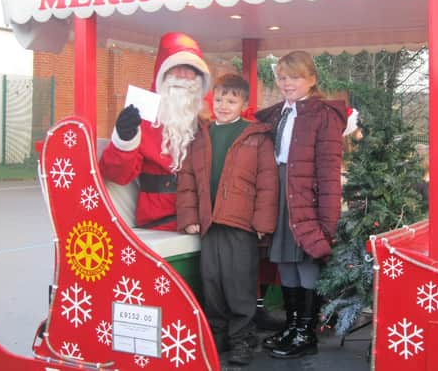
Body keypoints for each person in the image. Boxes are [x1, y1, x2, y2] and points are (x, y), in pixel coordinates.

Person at [176, 74, 279, 365]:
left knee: (238, 283)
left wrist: (263, 223)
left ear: (244, 104)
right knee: (212, 281)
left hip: (241, 222)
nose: (223, 105)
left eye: (231, 101)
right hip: (209, 222)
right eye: (219, 99)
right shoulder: (201, 134)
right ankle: (217, 335)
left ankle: (243, 339)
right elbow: (187, 178)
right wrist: (189, 216)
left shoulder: (255, 136)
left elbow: (267, 182)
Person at [255, 50, 346, 359]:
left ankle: (306, 333)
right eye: (282, 77)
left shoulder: (324, 115)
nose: (286, 83)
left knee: (306, 260)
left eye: (294, 77)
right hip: (280, 196)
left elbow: (330, 172)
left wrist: (327, 221)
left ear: (312, 80)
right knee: (285, 261)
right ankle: (292, 326)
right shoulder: (278, 113)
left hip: (306, 199)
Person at [99, 32, 210, 231]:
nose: (184, 76)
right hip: (160, 222)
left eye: (190, 70)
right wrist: (125, 138)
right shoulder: (144, 117)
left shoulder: (209, 119)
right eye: (177, 68)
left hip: (205, 221)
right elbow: (116, 175)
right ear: (163, 72)